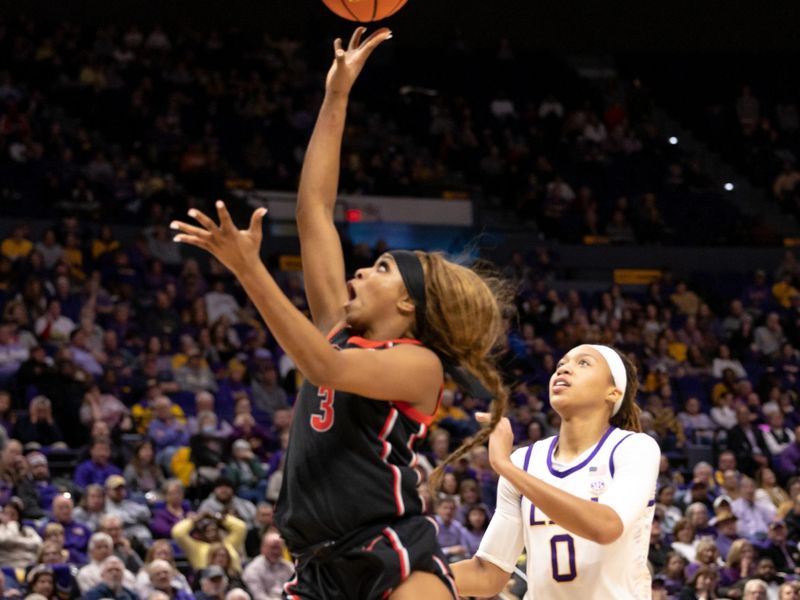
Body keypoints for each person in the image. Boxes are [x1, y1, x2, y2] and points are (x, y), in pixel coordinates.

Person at [171, 26, 508, 600]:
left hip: (389, 551)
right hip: (317, 565)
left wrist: (249, 270)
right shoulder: (338, 328)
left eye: (379, 269)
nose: (358, 272)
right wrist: (337, 95)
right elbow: (313, 210)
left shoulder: (418, 365)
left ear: (408, 303)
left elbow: (323, 368)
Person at [452, 344, 661, 599]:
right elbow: (488, 575)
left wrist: (504, 466)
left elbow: (606, 526)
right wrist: (403, 576)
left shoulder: (634, 447)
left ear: (613, 392)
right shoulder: (524, 461)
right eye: (561, 363)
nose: (564, 369)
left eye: (583, 363)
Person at [242, 532, 293, 600]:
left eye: (278, 548)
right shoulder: (253, 569)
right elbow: (258, 596)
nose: (276, 551)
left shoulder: (289, 567)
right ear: (263, 548)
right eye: (272, 547)